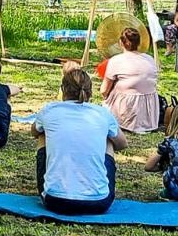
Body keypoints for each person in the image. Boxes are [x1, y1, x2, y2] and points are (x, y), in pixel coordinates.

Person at [32, 66, 127, 215]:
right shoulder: (102, 113)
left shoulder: (50, 110)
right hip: (99, 202)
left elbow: (34, 132)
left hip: (55, 201)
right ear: (90, 91)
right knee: (109, 139)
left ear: (63, 90)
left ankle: (54, 183)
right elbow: (122, 144)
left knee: (43, 133)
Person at [101, 26, 160, 134]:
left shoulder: (116, 60)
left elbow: (104, 90)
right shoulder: (150, 59)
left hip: (125, 110)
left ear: (121, 42)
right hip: (150, 115)